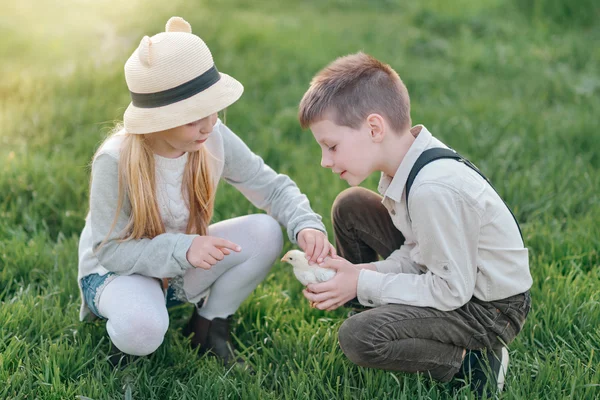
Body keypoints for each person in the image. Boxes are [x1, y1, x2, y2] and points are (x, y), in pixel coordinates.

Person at [77, 16, 334, 365]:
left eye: (213, 109)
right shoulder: (116, 160)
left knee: (266, 232)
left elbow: (271, 187)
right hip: (120, 273)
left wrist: (306, 225)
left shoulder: (210, 138)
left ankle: (208, 325)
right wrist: (184, 248)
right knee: (143, 330)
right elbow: (109, 250)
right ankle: (133, 328)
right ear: (159, 118)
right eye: (193, 116)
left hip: (181, 262)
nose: (210, 123)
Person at [298, 52, 532, 397]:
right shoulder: (405, 166)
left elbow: (452, 290)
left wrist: (365, 282)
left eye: (331, 146)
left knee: (358, 337)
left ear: (374, 128)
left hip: (489, 310)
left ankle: (473, 361)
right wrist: (364, 273)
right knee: (351, 206)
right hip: (457, 281)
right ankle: (381, 310)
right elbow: (417, 250)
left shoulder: (431, 189)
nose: (324, 161)